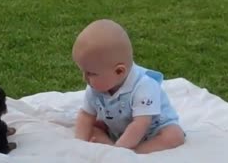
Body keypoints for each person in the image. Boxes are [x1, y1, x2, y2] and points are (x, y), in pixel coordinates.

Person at [72, 19, 185, 154]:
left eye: (91, 73)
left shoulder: (144, 85)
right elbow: (85, 115)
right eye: (83, 71)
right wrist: (79, 143)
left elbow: (141, 124)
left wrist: (121, 150)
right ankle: (111, 147)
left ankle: (135, 152)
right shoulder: (95, 87)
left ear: (119, 71)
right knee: (93, 128)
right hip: (119, 129)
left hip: (151, 130)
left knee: (174, 135)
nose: (84, 78)